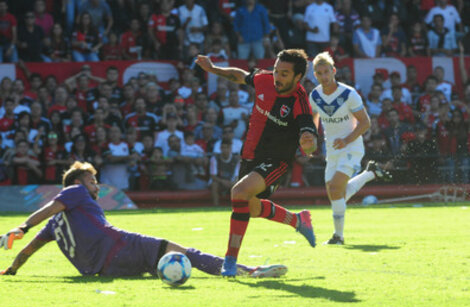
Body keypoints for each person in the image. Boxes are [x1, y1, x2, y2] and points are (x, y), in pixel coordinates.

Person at [0, 161, 287, 278]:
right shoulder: (74, 192)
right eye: (92, 179)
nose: (96, 185)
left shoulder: (54, 226)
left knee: (165, 265)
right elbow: (50, 207)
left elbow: (29, 250)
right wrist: (23, 226)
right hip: (124, 246)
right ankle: (250, 271)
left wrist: (11, 270)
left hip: (107, 271)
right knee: (186, 253)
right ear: (77, 181)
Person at [195, 49, 318, 277]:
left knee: (239, 192)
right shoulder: (264, 79)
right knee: (249, 207)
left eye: (284, 74)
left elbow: (308, 134)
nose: (277, 77)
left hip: (276, 162)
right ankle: (299, 220)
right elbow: (240, 75)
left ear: (297, 77)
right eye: (276, 71)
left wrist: (309, 145)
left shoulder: (300, 101)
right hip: (249, 156)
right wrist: (213, 69)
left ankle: (230, 262)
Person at [309, 52, 391, 245]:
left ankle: (338, 236)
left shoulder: (348, 94)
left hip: (351, 146)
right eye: (319, 73)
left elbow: (365, 123)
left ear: (333, 71)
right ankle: (369, 174)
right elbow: (313, 118)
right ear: (315, 75)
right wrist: (310, 138)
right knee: (335, 193)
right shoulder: (314, 95)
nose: (324, 76)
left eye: (327, 72)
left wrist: (346, 140)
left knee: (336, 188)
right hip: (332, 148)